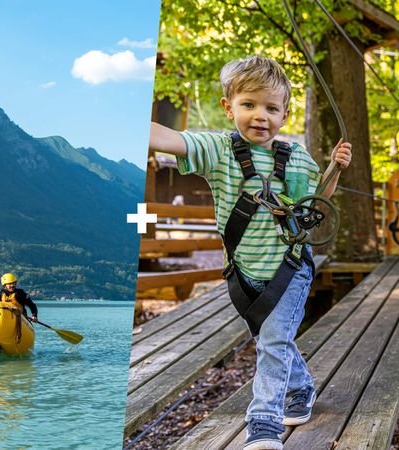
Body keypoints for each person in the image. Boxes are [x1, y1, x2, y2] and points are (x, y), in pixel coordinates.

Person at [148, 55, 352, 450]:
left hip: (289, 269)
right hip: (243, 272)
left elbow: (314, 202)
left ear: (285, 113)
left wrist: (335, 170)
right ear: (229, 107)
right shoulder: (217, 150)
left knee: (273, 341)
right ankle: (302, 390)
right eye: (249, 105)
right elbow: (165, 138)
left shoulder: (296, 158)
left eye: (272, 108)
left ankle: (263, 425)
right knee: (272, 340)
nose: (261, 116)